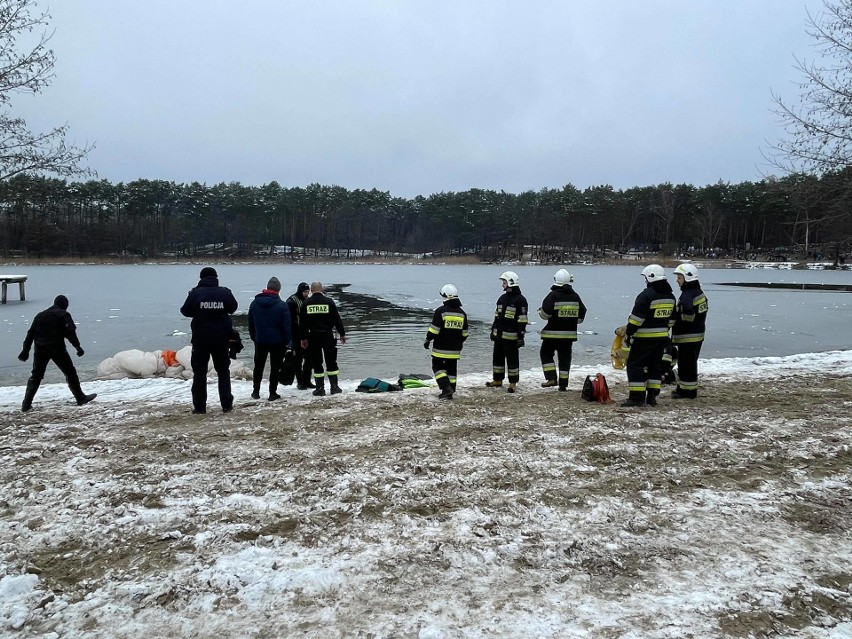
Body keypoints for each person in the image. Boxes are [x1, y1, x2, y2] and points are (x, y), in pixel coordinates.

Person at [17, 295, 97, 412]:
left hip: (40, 348)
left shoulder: (40, 316)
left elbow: (30, 334)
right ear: (65, 305)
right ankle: (80, 398)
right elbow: (70, 333)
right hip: (56, 348)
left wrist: (25, 351)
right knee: (70, 372)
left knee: (36, 375)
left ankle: (26, 404)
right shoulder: (63, 315)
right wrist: (78, 347)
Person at [180, 267, 239, 414]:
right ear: (216, 278)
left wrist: (200, 310)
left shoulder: (195, 293)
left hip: (201, 339)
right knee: (223, 371)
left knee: (199, 373)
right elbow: (233, 308)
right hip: (221, 339)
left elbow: (185, 311)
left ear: (201, 278)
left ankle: (200, 407)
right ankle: (226, 404)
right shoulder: (225, 292)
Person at [621, 264, 676, 407]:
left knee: (635, 365)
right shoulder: (670, 297)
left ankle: (637, 398)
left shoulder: (646, 296)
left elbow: (636, 320)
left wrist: (629, 332)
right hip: (661, 339)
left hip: (643, 339)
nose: (645, 281)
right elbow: (671, 320)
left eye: (645, 278)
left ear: (650, 278)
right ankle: (652, 397)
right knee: (654, 366)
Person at [538, 269, 587, 391]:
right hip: (568, 336)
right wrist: (574, 321)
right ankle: (563, 384)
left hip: (552, 334)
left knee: (546, 354)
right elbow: (582, 312)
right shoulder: (575, 296)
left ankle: (551, 378)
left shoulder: (553, 295)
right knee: (565, 358)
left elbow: (545, 314)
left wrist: (540, 312)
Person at [248, 276, 292, 401]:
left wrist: (254, 337)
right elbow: (286, 327)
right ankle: (272, 393)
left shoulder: (254, 304)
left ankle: (255, 391)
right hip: (278, 342)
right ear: (278, 290)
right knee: (275, 367)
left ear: (267, 288)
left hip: (260, 340)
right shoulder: (282, 306)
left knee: (258, 366)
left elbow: (250, 323)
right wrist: (288, 342)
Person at [299, 281, 346, 396]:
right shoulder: (329, 302)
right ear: (322, 289)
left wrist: (303, 338)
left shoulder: (306, 303)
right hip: (327, 335)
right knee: (331, 362)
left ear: (311, 290)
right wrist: (342, 334)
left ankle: (320, 388)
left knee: (317, 362)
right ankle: (334, 387)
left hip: (313, 336)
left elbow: (302, 324)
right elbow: (337, 319)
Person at [485, 271, 528, 393]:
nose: (502, 285)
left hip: (512, 337)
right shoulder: (502, 298)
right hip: (499, 336)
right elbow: (497, 316)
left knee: (512, 360)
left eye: (504, 282)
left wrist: (521, 336)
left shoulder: (520, 300)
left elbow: (522, 320)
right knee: (497, 359)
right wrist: (493, 331)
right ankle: (497, 380)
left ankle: (513, 383)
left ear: (510, 283)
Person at [424, 284, 469, 400]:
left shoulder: (441, 311)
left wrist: (428, 339)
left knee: (437, 368)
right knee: (452, 371)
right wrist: (457, 342)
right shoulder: (462, 313)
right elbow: (465, 334)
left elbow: (434, 330)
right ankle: (451, 389)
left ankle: (446, 388)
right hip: (455, 350)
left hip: (440, 348)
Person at [671, 262, 709, 399]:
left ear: (688, 278)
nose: (677, 280)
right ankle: (683, 389)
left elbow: (687, 315)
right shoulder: (699, 293)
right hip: (697, 335)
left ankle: (687, 392)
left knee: (686, 366)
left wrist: (674, 316)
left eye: (679, 277)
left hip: (688, 336)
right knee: (689, 364)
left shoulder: (687, 296)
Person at [286, 282, 313, 389]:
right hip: (296, 335)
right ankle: (300, 381)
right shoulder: (291, 301)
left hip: (307, 333)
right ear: (300, 291)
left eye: (308, 292)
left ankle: (307, 380)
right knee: (298, 359)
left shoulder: (307, 301)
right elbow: (289, 320)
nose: (307, 294)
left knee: (309, 359)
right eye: (305, 292)